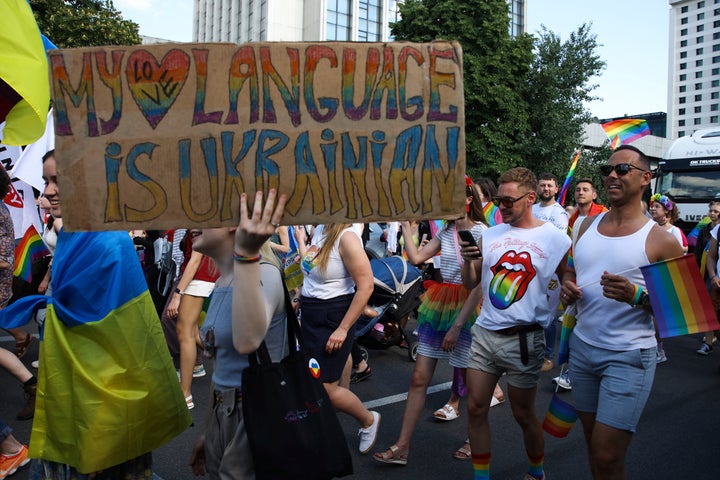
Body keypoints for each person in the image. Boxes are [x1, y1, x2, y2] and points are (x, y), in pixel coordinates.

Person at [0, 150, 190, 478]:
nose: (48, 191)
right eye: (46, 181)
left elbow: (125, 347)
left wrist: (102, 435)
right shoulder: (75, 236)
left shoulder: (108, 244)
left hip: (104, 412)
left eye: (59, 180)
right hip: (70, 394)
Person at [560, 145, 684, 480]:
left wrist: (638, 296)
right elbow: (570, 270)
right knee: (594, 447)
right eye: (607, 169)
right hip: (582, 349)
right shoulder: (584, 226)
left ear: (645, 178)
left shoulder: (661, 240)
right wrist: (568, 286)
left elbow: (682, 312)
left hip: (629, 356)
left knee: (606, 453)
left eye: (623, 169)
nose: (612, 175)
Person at [461, 167, 571, 480]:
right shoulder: (490, 234)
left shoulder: (555, 239)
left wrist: (569, 287)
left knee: (523, 414)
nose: (502, 207)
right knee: (475, 408)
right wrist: (469, 260)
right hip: (485, 334)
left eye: (509, 201)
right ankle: (481, 477)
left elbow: (568, 276)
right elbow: (471, 284)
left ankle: (536, 471)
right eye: (499, 201)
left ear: (530, 198)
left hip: (524, 340)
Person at [374, 178, 489, 465]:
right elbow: (415, 257)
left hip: (469, 311)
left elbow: (479, 286)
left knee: (473, 386)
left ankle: (474, 441)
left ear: (466, 199)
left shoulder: (484, 233)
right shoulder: (447, 230)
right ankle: (402, 447)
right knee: (418, 378)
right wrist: (408, 225)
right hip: (440, 305)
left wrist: (457, 326)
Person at [189, 189, 289, 479]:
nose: (190, 221)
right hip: (227, 415)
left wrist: (246, 253)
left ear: (233, 223)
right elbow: (222, 372)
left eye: (202, 211)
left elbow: (247, 342)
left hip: (257, 417)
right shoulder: (223, 280)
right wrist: (209, 433)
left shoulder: (264, 274)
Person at [296, 222, 381, 454]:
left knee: (324, 388)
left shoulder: (347, 237)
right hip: (312, 314)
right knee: (315, 379)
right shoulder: (321, 228)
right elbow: (316, 275)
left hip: (333, 318)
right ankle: (325, 428)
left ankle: (368, 420)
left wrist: (343, 329)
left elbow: (366, 286)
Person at [554, 178, 608, 391]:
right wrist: (567, 279)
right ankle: (571, 371)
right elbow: (571, 251)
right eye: (577, 190)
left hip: (598, 280)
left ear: (594, 194)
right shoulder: (573, 218)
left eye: (585, 189)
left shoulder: (604, 214)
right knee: (571, 325)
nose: (580, 193)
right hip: (576, 276)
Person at [532, 173, 569, 373]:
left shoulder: (559, 213)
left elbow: (558, 243)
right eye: (543, 185)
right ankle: (533, 351)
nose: (546, 188)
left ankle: (548, 356)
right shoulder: (532, 209)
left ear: (556, 189)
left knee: (549, 316)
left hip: (551, 271)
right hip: (531, 268)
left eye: (550, 186)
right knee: (532, 310)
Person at [648, 192, 688, 362]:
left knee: (657, 316)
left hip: (663, 276)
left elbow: (677, 256)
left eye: (657, 207)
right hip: (649, 274)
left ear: (667, 211)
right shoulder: (650, 227)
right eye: (652, 206)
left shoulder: (674, 231)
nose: (653, 209)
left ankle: (659, 350)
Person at [696, 200, 720, 354]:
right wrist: (712, 276)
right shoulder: (713, 230)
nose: (713, 213)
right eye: (711, 210)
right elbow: (708, 255)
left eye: (716, 211)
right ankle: (708, 342)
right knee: (710, 311)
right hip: (715, 280)